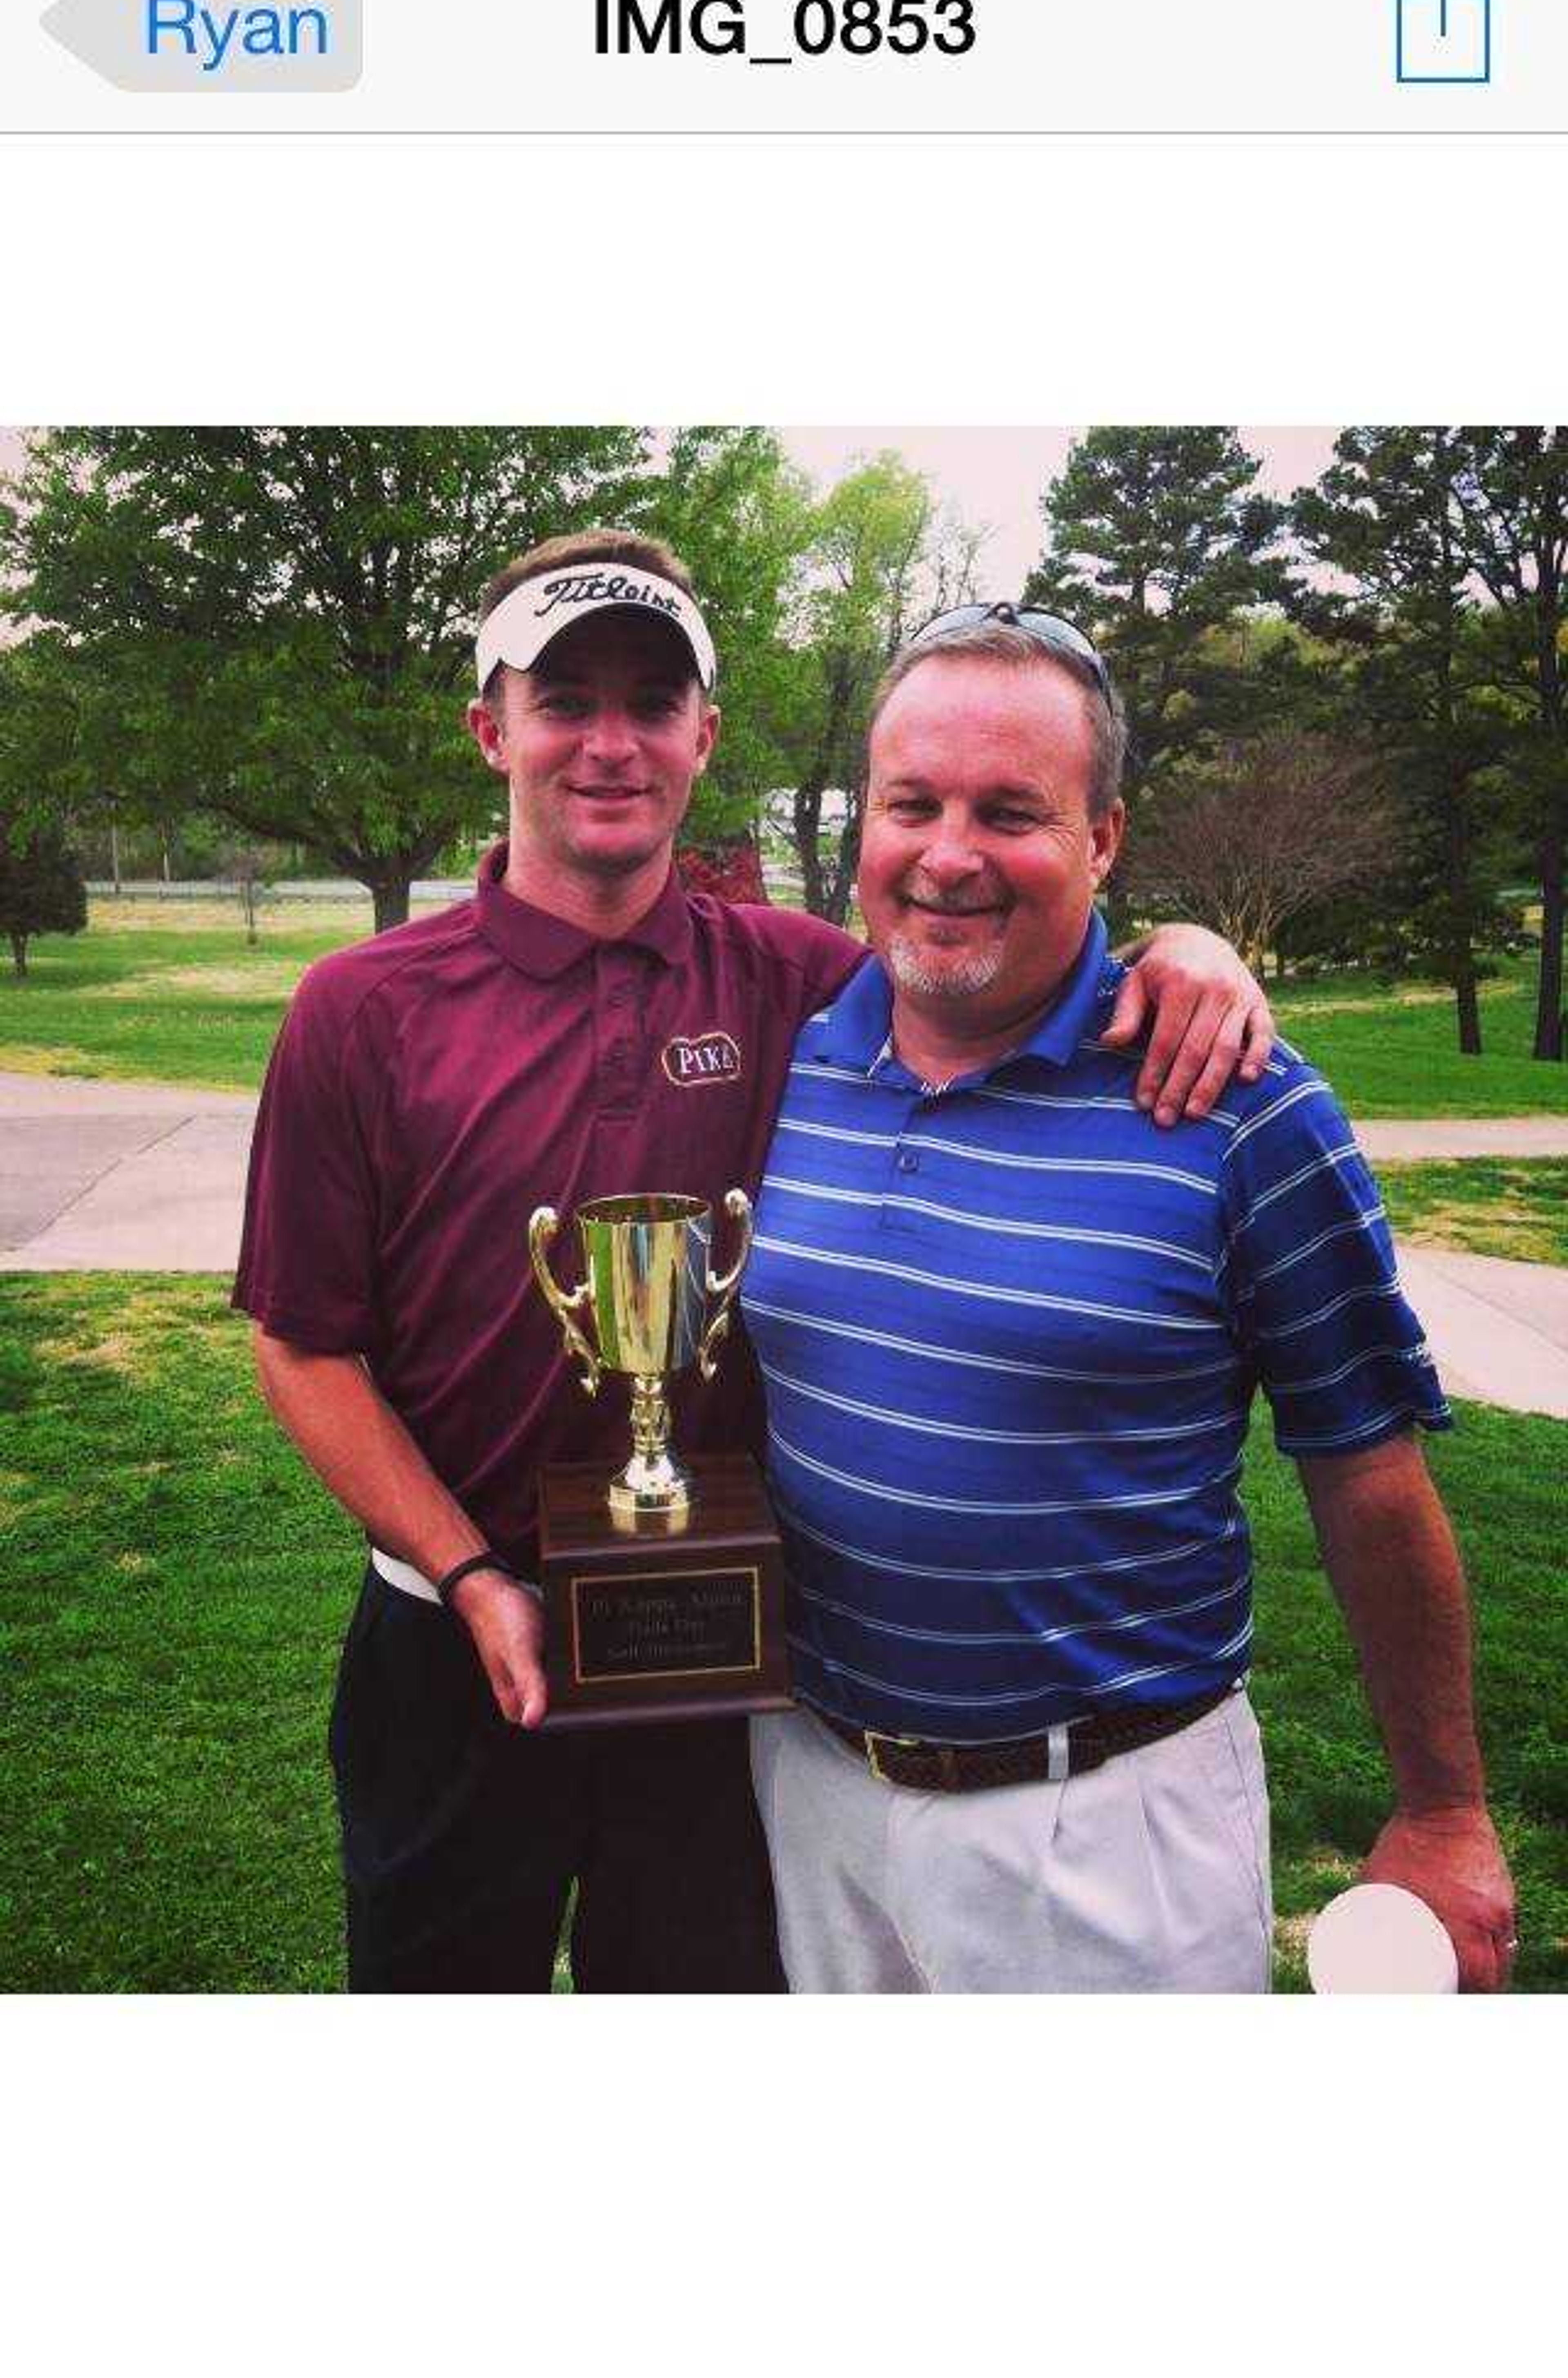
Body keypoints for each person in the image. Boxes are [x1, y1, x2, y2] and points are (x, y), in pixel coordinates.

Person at [233, 536, 1277, 1994]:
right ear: (492, 728)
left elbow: (1000, 947)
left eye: (653, 703)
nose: (611, 742)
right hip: (450, 1640)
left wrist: (1184, 943)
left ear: (703, 738)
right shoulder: (359, 1010)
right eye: (565, 700)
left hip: (715, 1653)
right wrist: (471, 1576)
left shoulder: (804, 981)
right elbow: (303, 1344)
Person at [743, 603, 1518, 1994]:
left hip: (1104, 1828)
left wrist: (1446, 1811)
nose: (949, 854)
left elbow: (1369, 1477)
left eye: (1012, 811)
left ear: (1103, 839)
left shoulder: (1242, 1109)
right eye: (910, 803)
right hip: (814, 1786)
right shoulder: (788, 1067)